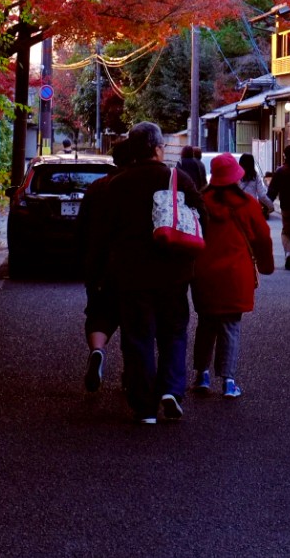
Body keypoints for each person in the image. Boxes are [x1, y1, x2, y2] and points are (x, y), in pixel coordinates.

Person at [80, 120, 203, 424]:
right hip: (173, 272)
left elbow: (101, 236)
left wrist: (95, 274)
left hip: (130, 274)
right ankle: (172, 391)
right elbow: (202, 222)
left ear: (133, 150)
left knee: (138, 338)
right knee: (174, 332)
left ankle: (144, 406)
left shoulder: (116, 185)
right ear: (159, 149)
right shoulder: (179, 178)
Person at [190, 153, 273, 398]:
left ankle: (201, 376)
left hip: (204, 273)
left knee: (206, 323)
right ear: (236, 176)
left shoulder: (200, 202)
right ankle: (228, 381)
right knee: (230, 325)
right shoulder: (247, 204)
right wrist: (267, 266)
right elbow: (262, 238)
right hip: (236, 274)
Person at [75, 132, 146, 392]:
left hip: (99, 263)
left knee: (98, 313)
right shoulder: (139, 186)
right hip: (133, 263)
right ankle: (129, 372)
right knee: (132, 319)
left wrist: (85, 259)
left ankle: (98, 350)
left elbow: (82, 228)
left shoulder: (97, 187)